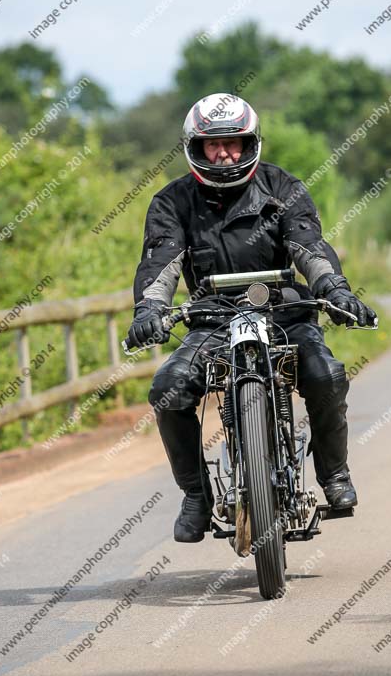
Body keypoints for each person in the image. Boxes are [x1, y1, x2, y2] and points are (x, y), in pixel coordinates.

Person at [128, 93, 376, 543]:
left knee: (327, 375)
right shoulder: (173, 201)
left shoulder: (283, 188)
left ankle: (334, 474)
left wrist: (336, 290)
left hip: (283, 309)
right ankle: (196, 496)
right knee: (168, 389)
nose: (224, 153)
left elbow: (308, 246)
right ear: (194, 147)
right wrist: (149, 309)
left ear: (251, 143)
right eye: (212, 145)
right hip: (212, 318)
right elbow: (161, 261)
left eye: (234, 143)